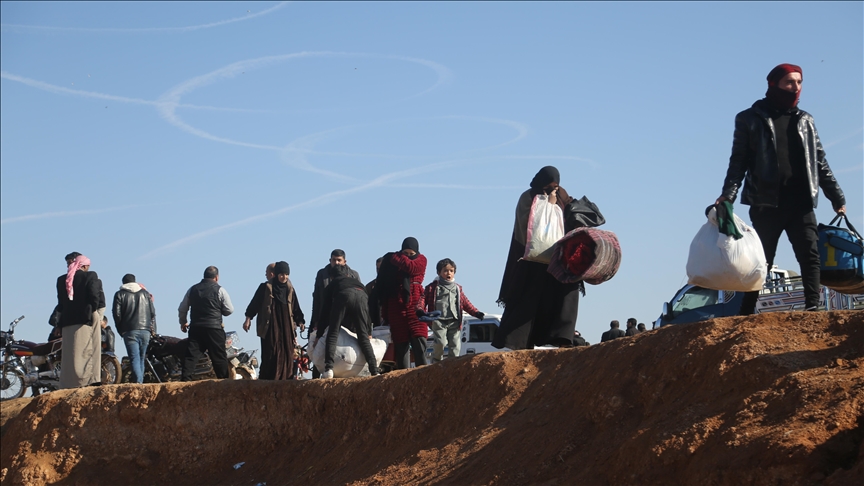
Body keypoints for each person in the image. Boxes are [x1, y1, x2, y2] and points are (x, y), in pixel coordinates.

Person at [717, 63, 846, 314]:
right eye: (789, 82)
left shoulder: (806, 120)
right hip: (766, 202)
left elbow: (819, 161)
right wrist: (728, 194)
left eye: (799, 83)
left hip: (801, 201)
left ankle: (812, 306)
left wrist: (836, 195)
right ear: (773, 84)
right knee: (761, 259)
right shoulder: (749, 119)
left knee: (809, 255)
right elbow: (738, 160)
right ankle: (746, 311)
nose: (795, 88)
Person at [493, 166, 581, 350]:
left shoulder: (562, 194)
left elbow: (571, 213)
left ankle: (562, 339)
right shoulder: (528, 196)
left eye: (556, 184)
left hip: (558, 259)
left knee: (566, 293)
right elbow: (526, 224)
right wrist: (547, 203)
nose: (553, 187)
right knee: (526, 300)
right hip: (531, 260)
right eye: (549, 183)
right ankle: (518, 343)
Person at [314, 263, 380, 378]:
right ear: (347, 274)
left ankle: (329, 368)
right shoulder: (358, 283)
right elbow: (367, 312)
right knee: (363, 336)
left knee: (333, 332)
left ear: (332, 277)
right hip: (361, 296)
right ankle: (374, 370)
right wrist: (369, 331)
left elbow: (324, 313)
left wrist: (319, 335)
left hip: (343, 295)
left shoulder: (332, 284)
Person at [242, 261, 305, 380]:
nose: (284, 277)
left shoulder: (290, 289)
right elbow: (254, 305)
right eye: (281, 274)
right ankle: (269, 380)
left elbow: (296, 308)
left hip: (286, 326)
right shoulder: (265, 287)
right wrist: (248, 319)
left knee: (287, 352)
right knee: (271, 352)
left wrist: (300, 321)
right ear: (275, 274)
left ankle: (286, 379)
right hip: (270, 325)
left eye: (286, 274)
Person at [376, 237, 428, 369]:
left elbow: (411, 267)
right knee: (401, 346)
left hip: (415, 306)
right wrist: (385, 315)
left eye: (411, 254)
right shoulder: (394, 262)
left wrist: (397, 256)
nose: (408, 257)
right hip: (396, 306)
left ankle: (423, 375)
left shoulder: (421, 260)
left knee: (419, 342)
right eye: (405, 253)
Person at [421, 258, 485, 363]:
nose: (448, 273)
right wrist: (420, 310)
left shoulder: (457, 288)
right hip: (439, 320)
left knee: (455, 345)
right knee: (440, 343)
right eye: (445, 271)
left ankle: (452, 364)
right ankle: (436, 363)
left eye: (451, 271)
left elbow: (466, 303)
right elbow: (422, 299)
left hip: (454, 320)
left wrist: (476, 313)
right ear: (439, 272)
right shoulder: (433, 287)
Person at [56, 254, 105, 388]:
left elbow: (60, 304)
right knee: (89, 350)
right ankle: (88, 381)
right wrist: (92, 309)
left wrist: (58, 324)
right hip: (86, 318)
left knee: (70, 354)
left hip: (67, 321)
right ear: (83, 265)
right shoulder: (90, 276)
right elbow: (95, 296)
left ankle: (69, 383)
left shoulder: (61, 280)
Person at [178, 266, 234, 380]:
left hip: (196, 328)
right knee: (219, 357)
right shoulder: (220, 290)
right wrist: (220, 310)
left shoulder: (192, 289)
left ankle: (185, 381)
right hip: (215, 328)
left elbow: (182, 308)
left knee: (191, 357)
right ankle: (224, 382)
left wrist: (183, 322)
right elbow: (229, 310)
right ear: (217, 277)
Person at [310, 250, 360, 378]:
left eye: (339, 260)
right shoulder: (322, 274)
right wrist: (316, 321)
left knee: (345, 350)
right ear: (330, 260)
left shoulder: (353, 275)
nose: (336, 263)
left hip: (347, 319)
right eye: (334, 260)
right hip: (326, 315)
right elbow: (317, 299)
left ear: (345, 262)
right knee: (321, 348)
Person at [113, 274, 156, 383]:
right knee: (142, 358)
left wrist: (120, 330)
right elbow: (152, 313)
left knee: (134, 358)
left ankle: (138, 384)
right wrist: (153, 329)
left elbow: (116, 314)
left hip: (129, 330)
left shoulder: (119, 294)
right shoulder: (145, 293)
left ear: (123, 283)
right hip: (145, 330)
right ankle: (140, 382)